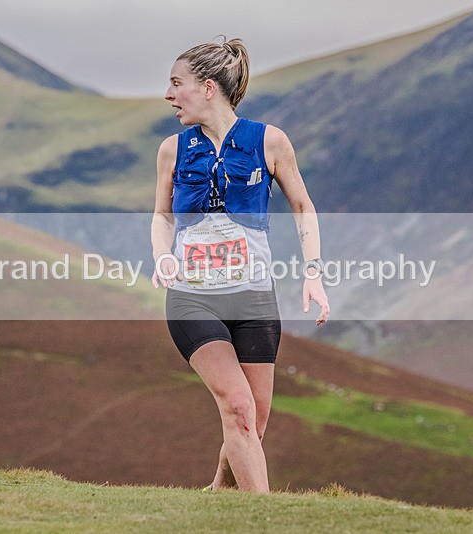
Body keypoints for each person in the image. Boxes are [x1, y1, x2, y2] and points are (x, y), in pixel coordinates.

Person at [151, 38, 329, 493]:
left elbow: (303, 206)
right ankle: (261, 516)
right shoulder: (171, 149)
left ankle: (219, 496)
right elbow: (163, 216)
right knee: (238, 406)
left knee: (254, 420)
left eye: (176, 83)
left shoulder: (270, 141)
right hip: (193, 298)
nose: (169, 95)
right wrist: (162, 256)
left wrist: (313, 274)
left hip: (254, 298)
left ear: (208, 88)